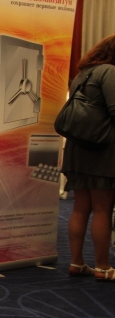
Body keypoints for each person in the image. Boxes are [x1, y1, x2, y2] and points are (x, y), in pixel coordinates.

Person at [61, 34, 115, 281]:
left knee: (80, 208)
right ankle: (103, 267)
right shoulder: (109, 72)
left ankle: (77, 262)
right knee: (103, 209)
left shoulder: (82, 74)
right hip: (101, 150)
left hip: (77, 149)